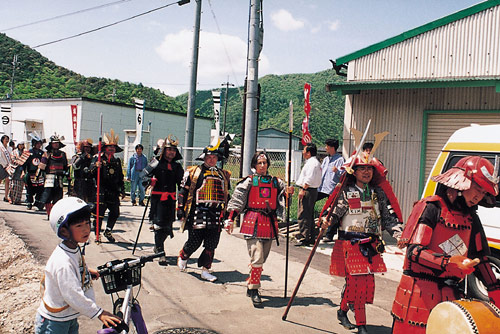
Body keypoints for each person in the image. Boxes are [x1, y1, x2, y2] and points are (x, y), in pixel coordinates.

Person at [391, 156, 500, 333]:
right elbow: (414, 252)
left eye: (483, 193)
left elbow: (481, 260)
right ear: (460, 182)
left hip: (450, 297)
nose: (478, 196)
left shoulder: (472, 219)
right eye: (477, 189)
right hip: (417, 296)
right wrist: (448, 263)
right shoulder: (431, 207)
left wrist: (495, 290)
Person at [320, 152, 403, 334]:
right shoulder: (347, 192)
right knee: (357, 284)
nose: (366, 172)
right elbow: (334, 213)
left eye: (369, 168)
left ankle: (342, 311)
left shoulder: (377, 193)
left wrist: (398, 235)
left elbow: (388, 218)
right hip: (350, 245)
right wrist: (327, 221)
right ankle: (362, 325)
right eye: (362, 168)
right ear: (354, 172)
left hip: (372, 246)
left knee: (361, 284)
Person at [35, 196, 121, 334]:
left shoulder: (73, 248)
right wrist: (99, 313)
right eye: (79, 226)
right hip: (54, 323)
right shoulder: (63, 262)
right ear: (63, 231)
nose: (86, 229)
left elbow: (76, 266)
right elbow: (72, 294)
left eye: (87, 223)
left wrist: (85, 271)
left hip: (68, 318)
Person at [225, 151, 286, 306]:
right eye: (259, 163)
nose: (262, 165)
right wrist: (230, 219)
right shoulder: (249, 181)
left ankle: (251, 283)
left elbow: (282, 197)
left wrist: (288, 193)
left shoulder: (276, 182)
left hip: (269, 222)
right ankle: (254, 289)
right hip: (253, 220)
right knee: (257, 257)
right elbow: (238, 200)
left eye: (265, 163)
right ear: (254, 165)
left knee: (261, 258)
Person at [176, 140, 231, 282]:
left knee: (211, 243)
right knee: (194, 241)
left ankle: (206, 270)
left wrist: (229, 214)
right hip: (198, 212)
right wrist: (180, 209)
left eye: (214, 157)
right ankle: (184, 255)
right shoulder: (194, 172)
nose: (212, 160)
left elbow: (226, 195)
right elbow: (183, 191)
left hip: (216, 213)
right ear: (204, 157)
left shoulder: (223, 174)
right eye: (209, 157)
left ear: (218, 159)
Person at [141, 135, 184, 266]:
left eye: (173, 150)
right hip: (158, 199)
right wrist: (149, 180)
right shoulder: (155, 162)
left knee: (167, 227)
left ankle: (158, 246)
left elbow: (182, 183)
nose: (171, 152)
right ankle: (161, 252)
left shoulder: (177, 166)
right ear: (164, 150)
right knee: (159, 225)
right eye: (169, 149)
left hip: (170, 200)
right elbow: (143, 174)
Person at [89, 129, 125, 243]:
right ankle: (97, 234)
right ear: (105, 148)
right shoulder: (98, 159)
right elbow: (89, 172)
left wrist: (122, 189)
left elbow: (120, 176)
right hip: (101, 190)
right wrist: (96, 166)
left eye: (114, 147)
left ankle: (108, 231)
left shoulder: (117, 161)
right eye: (110, 147)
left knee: (115, 212)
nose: (112, 149)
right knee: (99, 214)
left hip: (113, 191)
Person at [317, 139, 345, 242]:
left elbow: (344, 175)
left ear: (332, 147)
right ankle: (313, 228)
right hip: (322, 188)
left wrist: (337, 171)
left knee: (333, 211)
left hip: (333, 190)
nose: (325, 148)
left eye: (327, 146)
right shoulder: (325, 159)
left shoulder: (340, 160)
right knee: (309, 202)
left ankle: (329, 235)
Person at [295, 143, 322, 246]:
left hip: (308, 189)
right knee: (309, 214)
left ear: (309, 153)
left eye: (304, 151)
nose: (303, 152)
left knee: (303, 213)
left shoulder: (312, 163)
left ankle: (304, 236)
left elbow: (309, 178)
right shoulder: (315, 162)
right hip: (312, 190)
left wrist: (302, 189)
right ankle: (310, 236)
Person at [36, 134, 69, 218]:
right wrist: (37, 176)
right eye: (54, 143)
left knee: (58, 197)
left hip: (60, 178)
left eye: (57, 143)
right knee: (47, 196)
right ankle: (49, 214)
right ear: (51, 144)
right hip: (49, 178)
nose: (56, 144)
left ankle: (55, 214)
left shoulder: (63, 154)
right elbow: (42, 166)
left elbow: (65, 166)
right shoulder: (47, 154)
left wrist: (66, 175)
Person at [24, 134, 45, 210]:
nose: (39, 145)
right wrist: (23, 172)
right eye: (37, 143)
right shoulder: (28, 152)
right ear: (34, 144)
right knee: (29, 189)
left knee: (40, 189)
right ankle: (29, 203)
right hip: (30, 174)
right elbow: (23, 163)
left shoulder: (42, 153)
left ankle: (38, 202)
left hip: (39, 175)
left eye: (40, 144)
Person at [0, 134, 12, 202]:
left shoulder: (9, 148)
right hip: (1, 165)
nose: (7, 140)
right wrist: (4, 165)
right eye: (5, 139)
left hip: (8, 166)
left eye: (7, 139)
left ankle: (6, 196)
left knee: (8, 180)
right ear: (2, 140)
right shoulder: (0, 147)